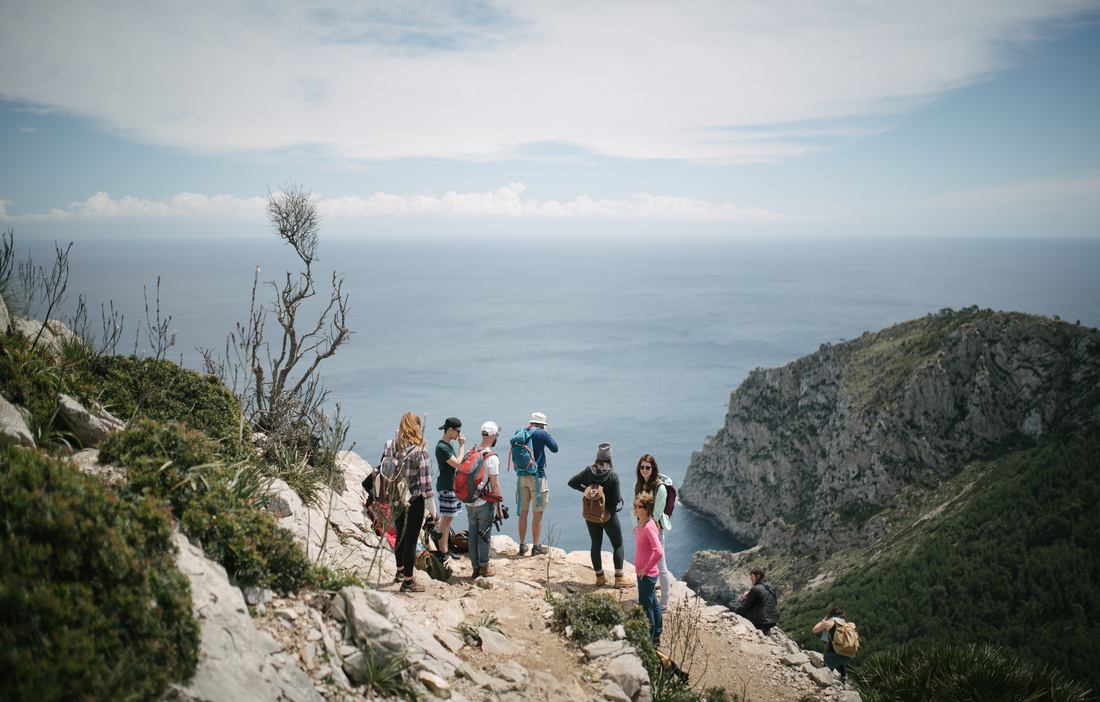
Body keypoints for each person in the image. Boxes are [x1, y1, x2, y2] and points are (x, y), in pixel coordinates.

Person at [568, 442, 627, 588]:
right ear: (610, 458)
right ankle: (619, 579)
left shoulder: (589, 471)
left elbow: (572, 482)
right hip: (607, 516)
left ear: (597, 457)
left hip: (591, 514)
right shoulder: (613, 475)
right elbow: (616, 499)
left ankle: (599, 577)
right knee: (618, 544)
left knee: (595, 544)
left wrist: (588, 490)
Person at [393, 412, 435, 593]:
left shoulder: (394, 447)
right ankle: (408, 582)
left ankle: (400, 572)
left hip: (395, 498)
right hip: (414, 501)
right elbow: (426, 483)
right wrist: (432, 509)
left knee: (400, 537)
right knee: (411, 539)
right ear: (417, 427)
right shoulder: (420, 451)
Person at [631, 454, 673, 613]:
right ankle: (644, 597)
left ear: (653, 468)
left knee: (661, 565)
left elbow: (656, 514)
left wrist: (644, 527)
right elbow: (633, 507)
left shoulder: (660, 488)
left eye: (648, 467)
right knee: (642, 563)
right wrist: (636, 526)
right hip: (641, 528)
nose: (644, 470)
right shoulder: (638, 485)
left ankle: (664, 604)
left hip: (654, 529)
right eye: (642, 467)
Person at [516, 411, 558, 556]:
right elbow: (555, 448)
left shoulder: (520, 432)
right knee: (537, 513)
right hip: (537, 476)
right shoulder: (542, 433)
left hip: (521, 476)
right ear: (542, 424)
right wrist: (545, 434)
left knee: (523, 512)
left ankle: (522, 546)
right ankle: (536, 546)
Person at [466, 421, 504, 578]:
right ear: (494, 436)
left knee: (472, 534)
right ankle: (484, 568)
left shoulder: (471, 451)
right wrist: (499, 506)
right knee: (484, 535)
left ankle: (474, 568)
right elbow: (495, 485)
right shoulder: (491, 458)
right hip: (484, 503)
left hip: (469, 501)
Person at [434, 417, 466, 566]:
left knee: (448, 519)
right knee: (446, 520)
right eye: (457, 431)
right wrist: (462, 446)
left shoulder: (448, 445)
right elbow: (457, 464)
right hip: (446, 487)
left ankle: (446, 549)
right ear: (450, 430)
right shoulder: (442, 447)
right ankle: (443, 552)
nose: (459, 434)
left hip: (451, 486)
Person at [633, 493, 664, 647]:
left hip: (646, 576)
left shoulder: (649, 527)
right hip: (646, 574)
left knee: (647, 609)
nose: (635, 509)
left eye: (638, 506)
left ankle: (649, 640)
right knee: (654, 603)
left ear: (646, 509)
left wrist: (645, 569)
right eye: (634, 505)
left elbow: (659, 551)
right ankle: (657, 634)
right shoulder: (643, 523)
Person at [734, 567, 780, 634]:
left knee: (738, 608)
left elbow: (746, 606)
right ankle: (767, 629)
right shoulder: (771, 587)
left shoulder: (755, 589)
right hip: (773, 621)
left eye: (752, 576)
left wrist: (743, 598)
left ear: (758, 576)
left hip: (761, 621)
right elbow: (774, 602)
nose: (751, 579)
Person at [812, 606, 852, 682]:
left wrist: (823, 620)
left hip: (832, 655)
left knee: (823, 677)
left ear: (831, 614)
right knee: (840, 653)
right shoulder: (846, 623)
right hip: (847, 655)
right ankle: (844, 676)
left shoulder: (829, 622)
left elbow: (814, 630)